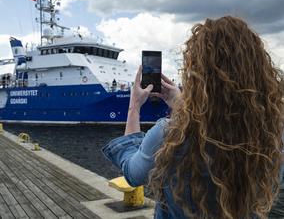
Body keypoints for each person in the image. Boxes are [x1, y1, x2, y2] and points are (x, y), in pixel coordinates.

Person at [102, 16, 284, 219]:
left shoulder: (168, 135)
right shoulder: (274, 136)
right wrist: (181, 105)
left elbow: (133, 174)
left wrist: (134, 107)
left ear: (197, 76)